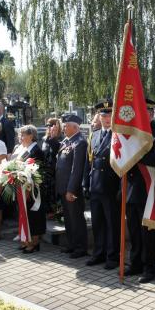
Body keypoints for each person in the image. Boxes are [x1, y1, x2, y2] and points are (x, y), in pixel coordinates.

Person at [124, 99, 155, 283]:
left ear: (150, 114)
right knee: (134, 230)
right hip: (131, 189)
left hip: (148, 190)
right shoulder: (131, 133)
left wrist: (137, 152)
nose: (143, 115)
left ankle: (150, 267)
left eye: (146, 112)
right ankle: (135, 263)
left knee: (148, 232)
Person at [83, 100, 120, 269]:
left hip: (111, 187)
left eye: (109, 115)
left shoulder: (119, 136)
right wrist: (85, 183)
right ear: (99, 116)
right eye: (103, 115)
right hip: (95, 185)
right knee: (97, 223)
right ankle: (99, 253)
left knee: (112, 224)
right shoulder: (94, 135)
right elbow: (88, 162)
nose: (106, 118)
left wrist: (120, 188)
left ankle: (112, 257)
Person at [55, 114, 88, 258]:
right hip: (63, 187)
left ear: (75, 127)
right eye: (64, 125)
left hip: (72, 189)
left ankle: (80, 247)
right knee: (68, 218)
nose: (64, 128)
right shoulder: (66, 141)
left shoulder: (79, 142)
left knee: (76, 218)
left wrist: (71, 189)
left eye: (66, 125)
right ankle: (71, 244)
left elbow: (77, 170)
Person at [12, 125, 46, 253]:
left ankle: (34, 242)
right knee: (22, 214)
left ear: (31, 135)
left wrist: (28, 187)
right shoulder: (21, 149)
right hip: (20, 186)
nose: (20, 137)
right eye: (20, 135)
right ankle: (25, 239)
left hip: (31, 189)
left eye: (23, 135)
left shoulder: (36, 151)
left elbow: (37, 172)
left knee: (33, 215)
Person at [41, 118, 63, 220]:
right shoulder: (44, 139)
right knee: (47, 191)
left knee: (55, 192)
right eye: (48, 126)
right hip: (46, 170)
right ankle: (48, 211)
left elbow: (57, 152)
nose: (50, 128)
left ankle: (57, 212)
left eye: (52, 125)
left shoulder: (61, 138)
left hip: (56, 170)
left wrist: (53, 139)